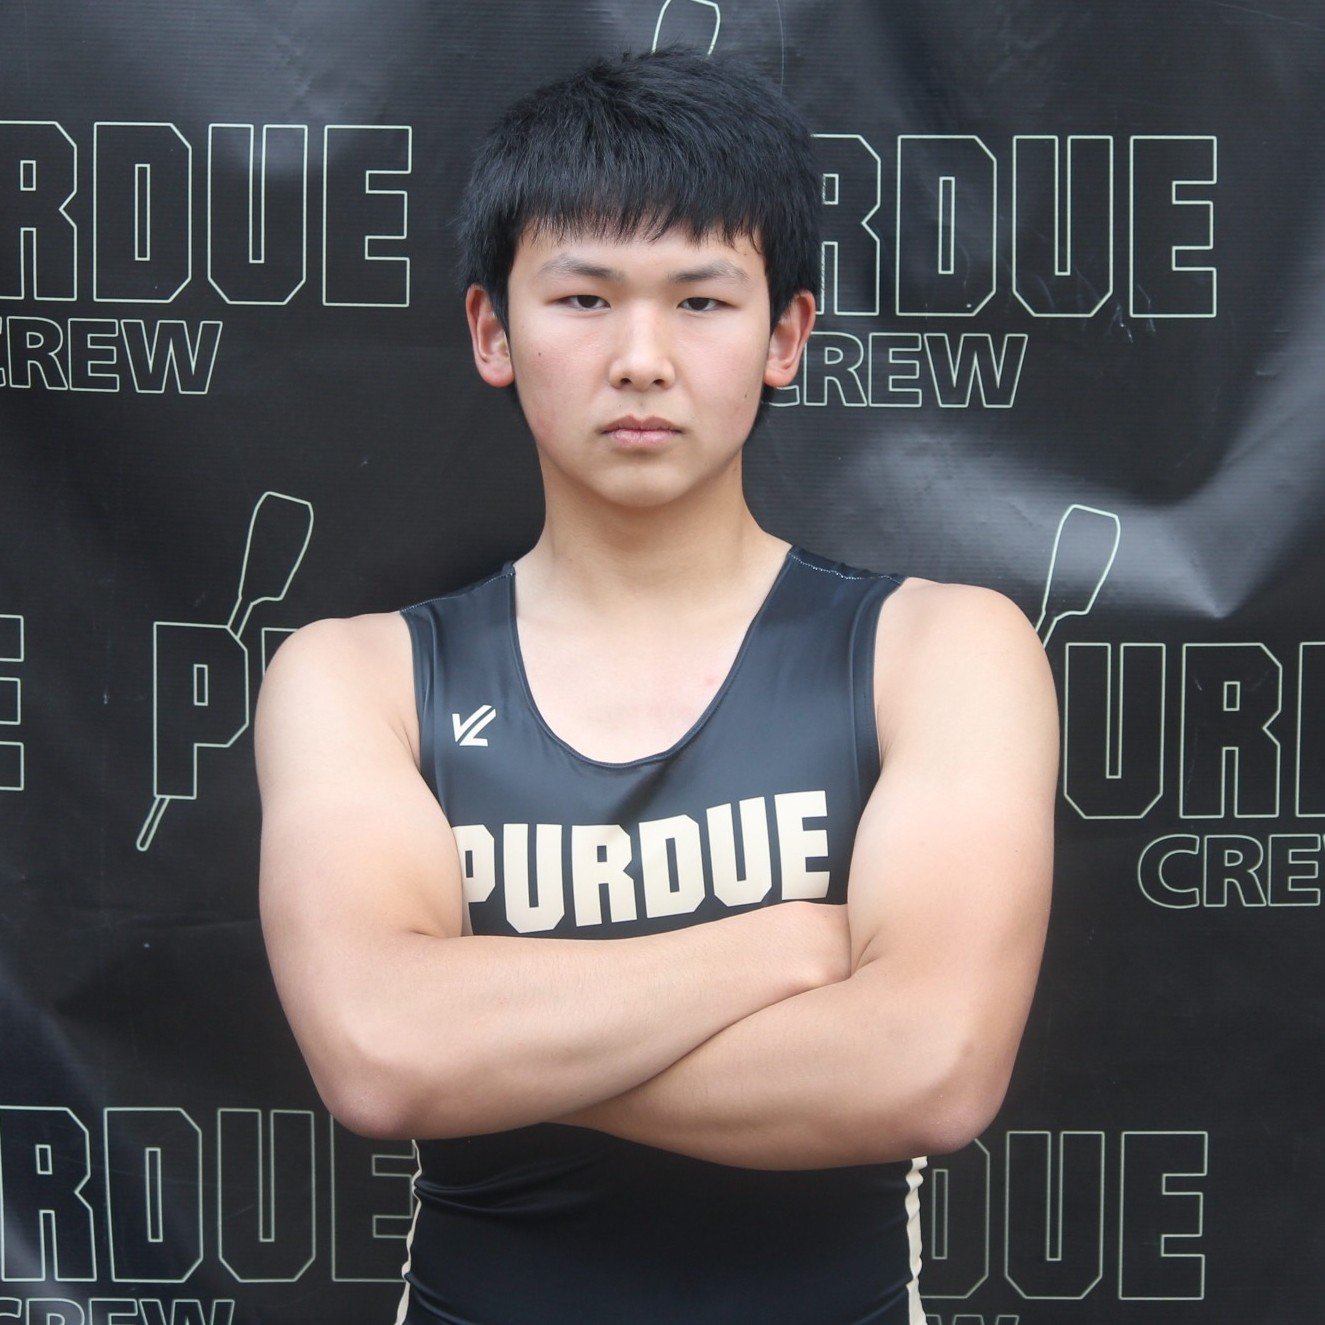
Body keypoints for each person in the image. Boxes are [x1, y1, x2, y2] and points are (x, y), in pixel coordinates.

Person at [255, 48, 1057, 1325]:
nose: (640, 357)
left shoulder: (939, 651)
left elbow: (926, 1067)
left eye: (700, 300)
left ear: (784, 336)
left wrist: (493, 1042)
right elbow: (382, 1054)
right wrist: (784, 946)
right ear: (492, 331)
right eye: (583, 298)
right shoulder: (359, 679)